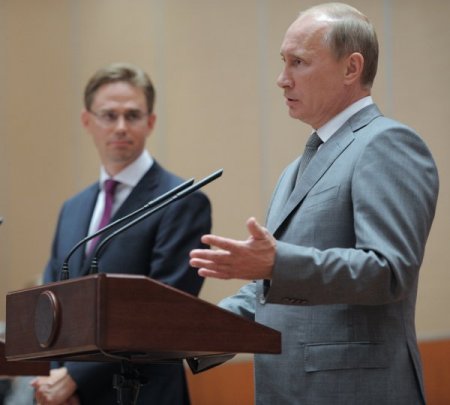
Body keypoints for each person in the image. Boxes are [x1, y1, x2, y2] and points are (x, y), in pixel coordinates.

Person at [190, 3, 439, 404]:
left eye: (298, 62)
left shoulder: (386, 144)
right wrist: (192, 330)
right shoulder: (295, 169)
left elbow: (388, 271)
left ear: (351, 68)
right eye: (282, 62)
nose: (282, 79)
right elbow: (277, 286)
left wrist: (276, 263)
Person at [32, 63, 211, 405]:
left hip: (145, 394)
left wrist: (73, 377)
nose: (120, 127)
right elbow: (51, 302)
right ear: (87, 121)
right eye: (108, 115)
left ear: (150, 122)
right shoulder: (73, 208)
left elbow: (162, 312)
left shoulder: (183, 201)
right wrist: (56, 378)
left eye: (132, 115)